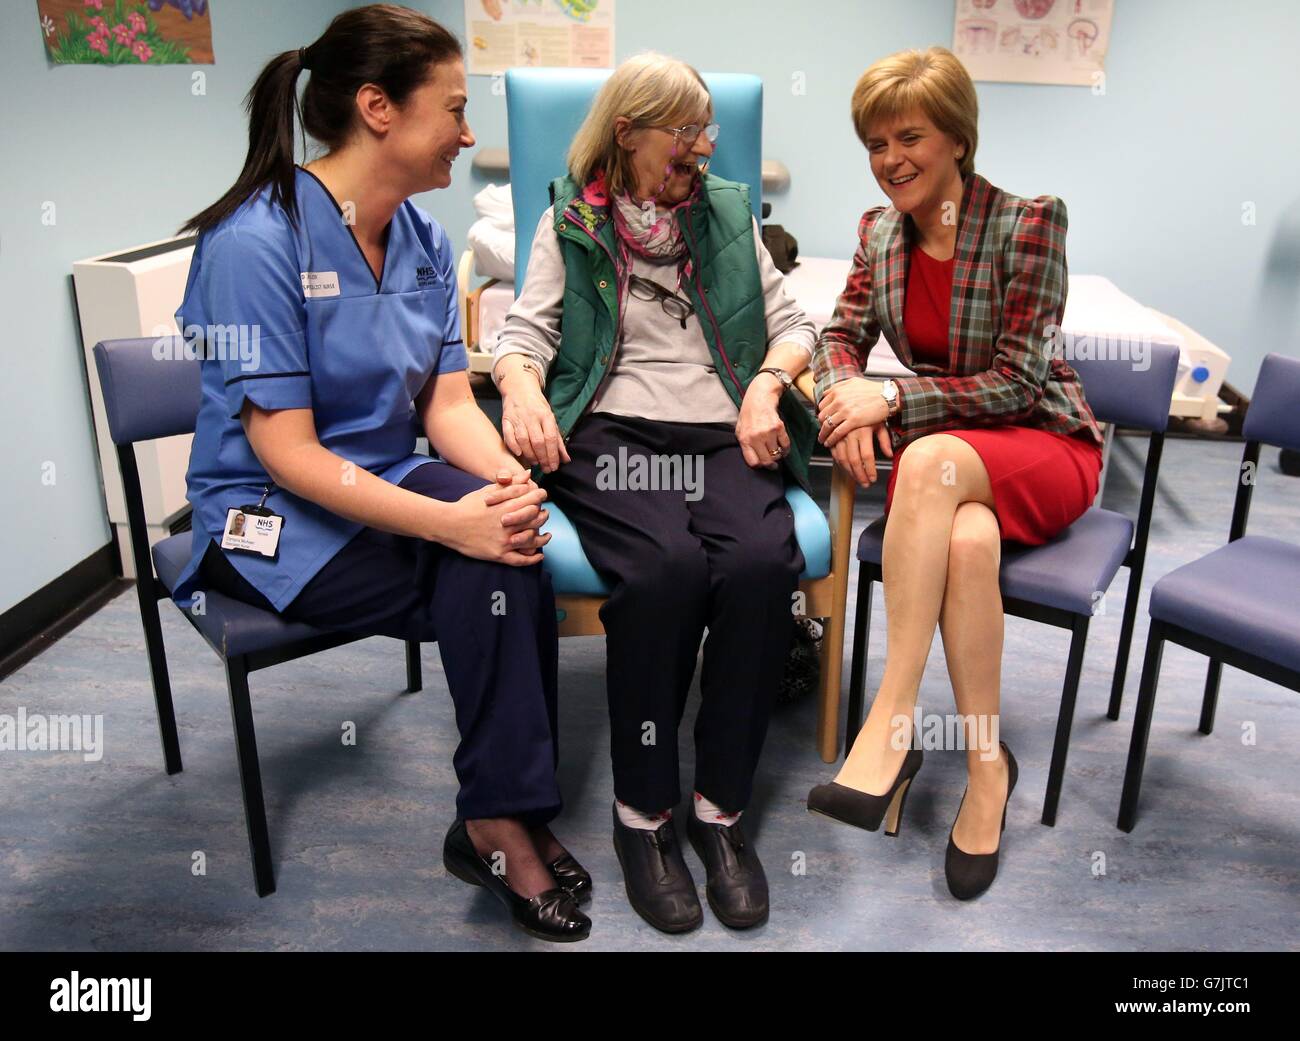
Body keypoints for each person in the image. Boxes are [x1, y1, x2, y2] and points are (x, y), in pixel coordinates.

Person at [172, 4, 589, 942]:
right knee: (484, 561)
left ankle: (499, 816)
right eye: (454, 108)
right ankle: (500, 823)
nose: (469, 132)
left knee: (508, 538)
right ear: (378, 109)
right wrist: (456, 525)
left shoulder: (423, 240)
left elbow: (445, 409)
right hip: (265, 510)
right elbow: (286, 451)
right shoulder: (255, 243)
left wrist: (504, 481)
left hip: (382, 479)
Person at [492, 53, 818, 933]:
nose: (702, 149)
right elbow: (524, 333)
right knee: (666, 568)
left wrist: (762, 387)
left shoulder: (725, 211)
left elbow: (793, 325)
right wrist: (522, 391)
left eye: (708, 131)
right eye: (685, 133)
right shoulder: (571, 219)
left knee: (758, 565)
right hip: (615, 431)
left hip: (720, 426)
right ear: (627, 132)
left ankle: (720, 811)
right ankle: (644, 816)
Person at [805, 47, 1104, 900]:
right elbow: (836, 341)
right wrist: (841, 403)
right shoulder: (878, 234)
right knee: (967, 542)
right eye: (874, 143)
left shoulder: (1029, 222)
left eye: (909, 137)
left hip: (1041, 443)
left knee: (930, 458)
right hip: (951, 478)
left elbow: (1018, 378)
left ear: (958, 138)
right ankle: (985, 766)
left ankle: (891, 718)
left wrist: (889, 406)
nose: (890, 159)